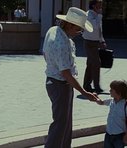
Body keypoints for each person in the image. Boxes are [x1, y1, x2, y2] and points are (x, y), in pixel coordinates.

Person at [42, 7, 99, 148]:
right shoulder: (62, 42)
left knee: (65, 123)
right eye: (79, 29)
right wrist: (85, 93)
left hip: (55, 81)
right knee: (61, 124)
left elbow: (45, 53)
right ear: (70, 25)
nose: (80, 33)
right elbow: (66, 73)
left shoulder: (53, 30)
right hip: (60, 83)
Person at [96, 79, 127, 148]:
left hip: (119, 136)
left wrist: (126, 135)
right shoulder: (111, 101)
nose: (109, 91)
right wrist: (96, 98)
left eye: (112, 90)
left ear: (119, 93)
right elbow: (101, 102)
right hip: (108, 134)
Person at [82, 0, 107, 93]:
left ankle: (86, 85)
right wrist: (99, 15)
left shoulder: (96, 15)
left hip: (95, 42)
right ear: (93, 6)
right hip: (89, 42)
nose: (101, 6)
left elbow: (100, 30)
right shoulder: (89, 15)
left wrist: (102, 40)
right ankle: (96, 86)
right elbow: (94, 27)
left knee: (91, 64)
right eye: (99, 4)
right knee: (96, 63)